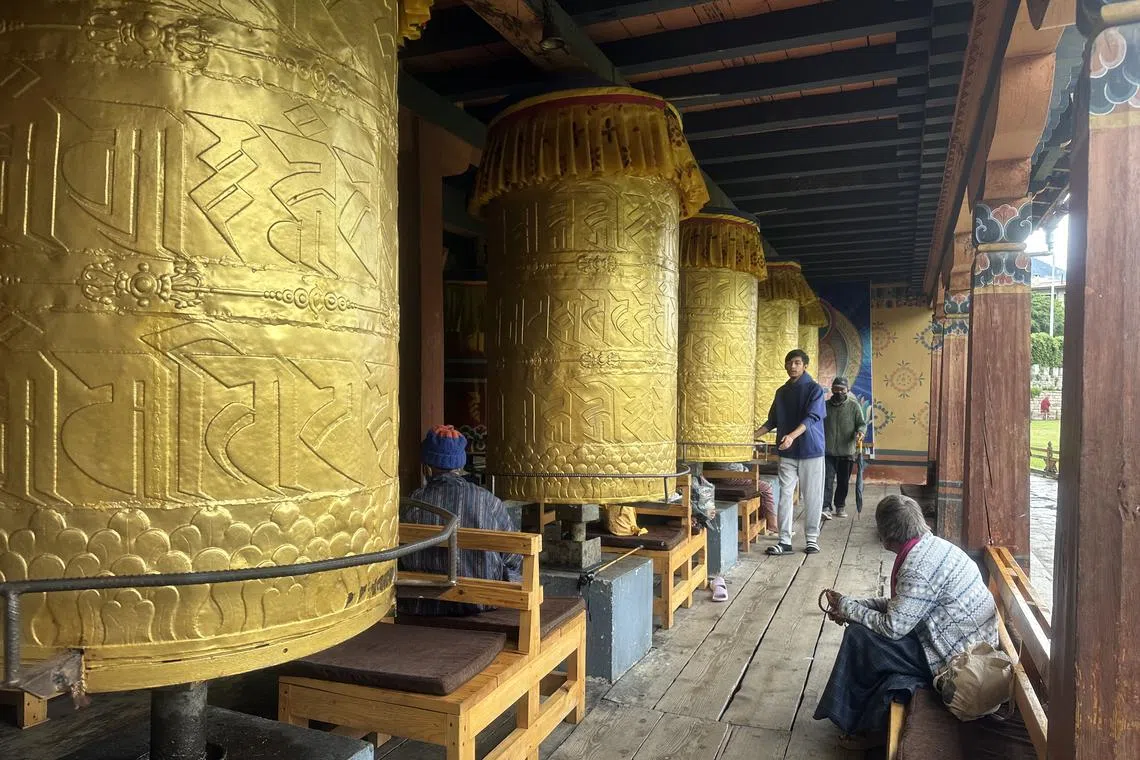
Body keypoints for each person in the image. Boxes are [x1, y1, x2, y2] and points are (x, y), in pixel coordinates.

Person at [813, 494, 998, 750]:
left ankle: (856, 724)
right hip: (965, 644)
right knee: (862, 628)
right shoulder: (933, 547)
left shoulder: (916, 568)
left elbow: (893, 627)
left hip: (957, 661)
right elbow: (904, 606)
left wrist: (849, 609)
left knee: (859, 636)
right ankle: (855, 718)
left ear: (887, 535)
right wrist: (854, 604)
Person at [398, 425, 521, 616]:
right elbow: (514, 556)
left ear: (426, 468)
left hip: (424, 606)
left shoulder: (412, 504)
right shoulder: (488, 501)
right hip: (480, 603)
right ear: (460, 466)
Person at [755, 349, 827, 556]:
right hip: (787, 452)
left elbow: (812, 417)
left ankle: (811, 539)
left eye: (796, 363)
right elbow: (772, 421)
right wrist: (753, 435)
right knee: (785, 496)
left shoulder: (815, 389)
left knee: (812, 496)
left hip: (811, 450)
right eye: (789, 363)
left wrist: (792, 436)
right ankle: (784, 540)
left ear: (805, 366)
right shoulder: (782, 392)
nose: (792, 366)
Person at [822, 377, 866, 520]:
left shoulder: (854, 406)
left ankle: (840, 506)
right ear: (832, 390)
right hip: (828, 451)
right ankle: (826, 507)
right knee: (827, 480)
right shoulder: (824, 406)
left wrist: (861, 432)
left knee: (843, 481)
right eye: (836, 389)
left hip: (847, 451)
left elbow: (861, 424)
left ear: (848, 390)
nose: (839, 392)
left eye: (842, 389)